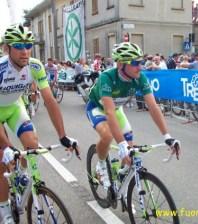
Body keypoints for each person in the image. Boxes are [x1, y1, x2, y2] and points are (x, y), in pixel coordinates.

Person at [0, 24, 79, 223]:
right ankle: (4, 209)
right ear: (6, 49)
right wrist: (7, 146)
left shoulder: (34, 66)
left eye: (28, 44)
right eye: (18, 45)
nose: (25, 50)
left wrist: (63, 136)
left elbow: (50, 101)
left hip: (14, 107)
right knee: (2, 160)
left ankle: (22, 175)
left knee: (32, 144)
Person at [85, 42, 180, 189]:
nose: (140, 66)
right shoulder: (107, 77)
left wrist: (167, 136)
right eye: (135, 63)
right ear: (121, 64)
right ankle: (101, 164)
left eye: (141, 62)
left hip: (116, 110)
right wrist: (121, 144)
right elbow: (109, 112)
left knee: (130, 154)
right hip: (98, 108)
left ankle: (121, 179)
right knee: (108, 136)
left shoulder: (139, 78)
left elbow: (153, 107)